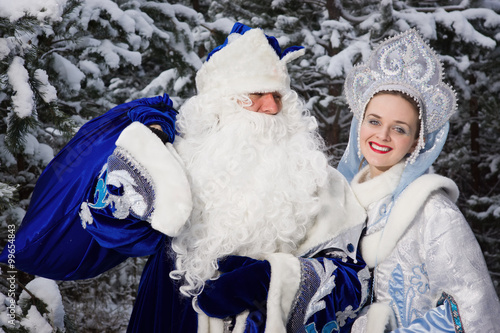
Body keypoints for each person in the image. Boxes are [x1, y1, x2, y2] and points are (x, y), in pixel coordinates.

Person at [1, 23, 370, 332]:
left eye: (277, 95)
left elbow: (352, 280)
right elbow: (106, 227)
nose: (271, 107)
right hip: (168, 314)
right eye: (256, 94)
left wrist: (272, 279)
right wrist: (142, 144)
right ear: (220, 102)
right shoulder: (180, 160)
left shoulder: (318, 179)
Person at [337, 29, 500, 332]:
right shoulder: (337, 202)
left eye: (399, 128)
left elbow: (476, 313)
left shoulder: (433, 212)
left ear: (416, 142)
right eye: (374, 122)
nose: (382, 136)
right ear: (359, 125)